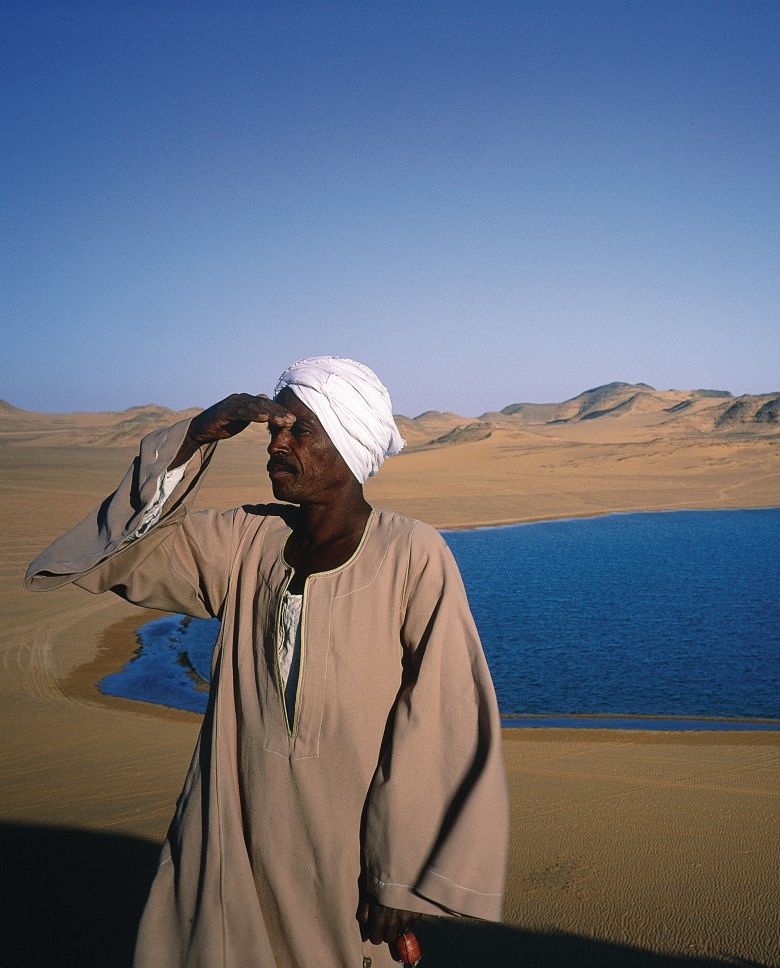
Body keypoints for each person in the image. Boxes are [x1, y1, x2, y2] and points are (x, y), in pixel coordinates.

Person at [25, 356, 509, 967]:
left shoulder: (411, 553)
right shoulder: (244, 542)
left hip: (344, 857)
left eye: (299, 429)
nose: (277, 444)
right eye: (273, 429)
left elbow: (441, 714)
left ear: (349, 442)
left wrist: (402, 870)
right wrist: (195, 438)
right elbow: (130, 553)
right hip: (234, 830)